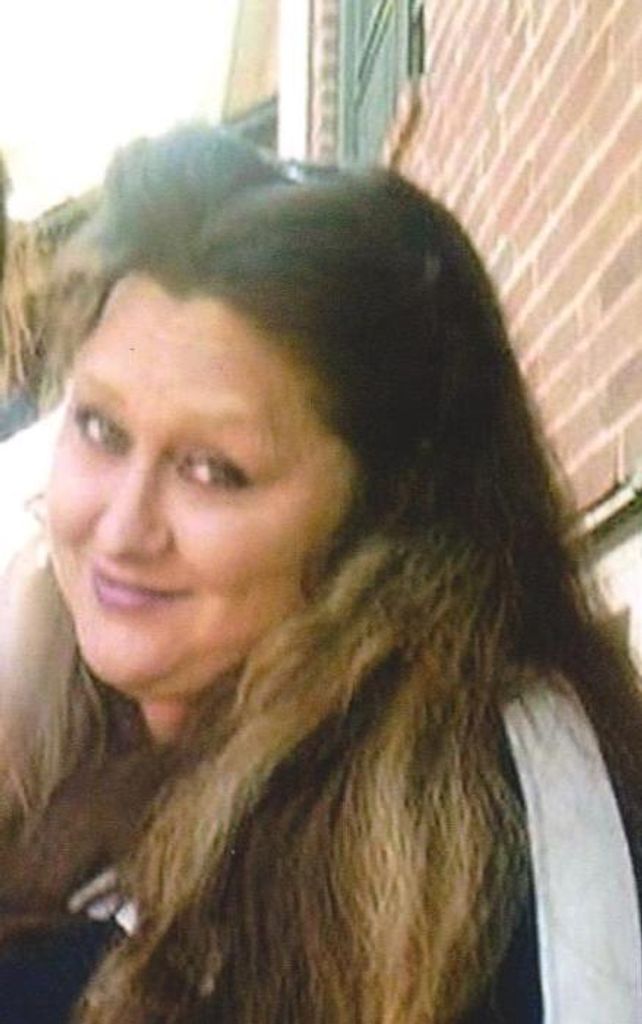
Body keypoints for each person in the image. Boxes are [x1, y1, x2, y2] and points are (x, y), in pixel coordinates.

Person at [0, 123, 640, 1024]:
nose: (121, 526)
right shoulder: (41, 722)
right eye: (101, 429)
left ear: (385, 506)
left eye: (213, 470)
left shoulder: (497, 812)